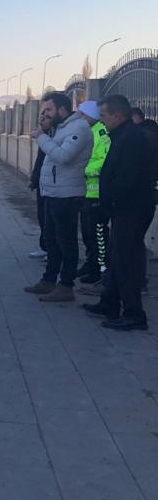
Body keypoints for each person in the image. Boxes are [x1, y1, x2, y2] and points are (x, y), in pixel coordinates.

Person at [83, 95, 157, 331]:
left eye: (103, 116)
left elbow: (126, 179)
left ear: (117, 115)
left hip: (131, 209)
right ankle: (110, 303)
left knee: (127, 261)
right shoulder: (121, 135)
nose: (101, 121)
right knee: (116, 257)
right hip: (123, 208)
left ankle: (134, 314)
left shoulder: (132, 138)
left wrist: (111, 203)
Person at [24, 92, 93, 302]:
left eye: (49, 110)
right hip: (52, 193)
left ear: (62, 110)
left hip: (67, 195)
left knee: (66, 242)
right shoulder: (61, 128)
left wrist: (42, 136)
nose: (45, 114)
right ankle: (49, 279)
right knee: (51, 240)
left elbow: (63, 156)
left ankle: (66, 285)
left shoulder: (79, 128)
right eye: (44, 110)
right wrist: (46, 132)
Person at [75, 101, 110, 290]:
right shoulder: (89, 131)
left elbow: (103, 161)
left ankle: (101, 270)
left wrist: (83, 170)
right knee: (88, 233)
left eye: (83, 115)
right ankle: (91, 264)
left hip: (96, 193)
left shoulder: (101, 132)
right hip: (86, 191)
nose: (80, 118)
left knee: (99, 235)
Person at [27, 110, 51, 261]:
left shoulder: (53, 136)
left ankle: (52, 250)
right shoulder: (44, 137)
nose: (41, 121)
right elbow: (40, 160)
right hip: (42, 181)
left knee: (50, 219)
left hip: (53, 185)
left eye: (45, 118)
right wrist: (34, 179)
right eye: (41, 118)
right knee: (42, 216)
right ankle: (45, 247)